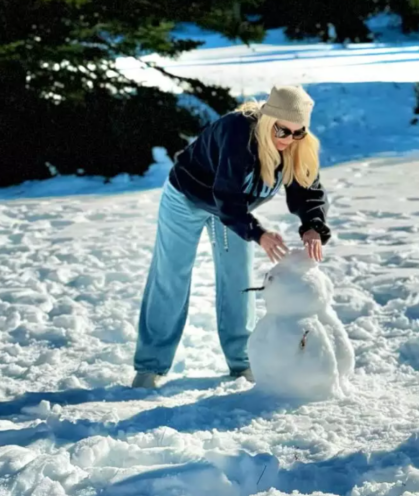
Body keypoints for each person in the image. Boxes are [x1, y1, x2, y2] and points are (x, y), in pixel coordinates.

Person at [131, 85, 331, 389]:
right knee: (171, 276)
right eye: (282, 130)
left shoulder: (296, 147)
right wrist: (258, 233)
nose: (288, 139)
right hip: (187, 199)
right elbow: (227, 195)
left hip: (234, 209)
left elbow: (307, 190)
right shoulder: (238, 133)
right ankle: (150, 365)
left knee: (237, 278)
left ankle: (241, 362)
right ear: (267, 120)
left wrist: (313, 225)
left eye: (297, 132)